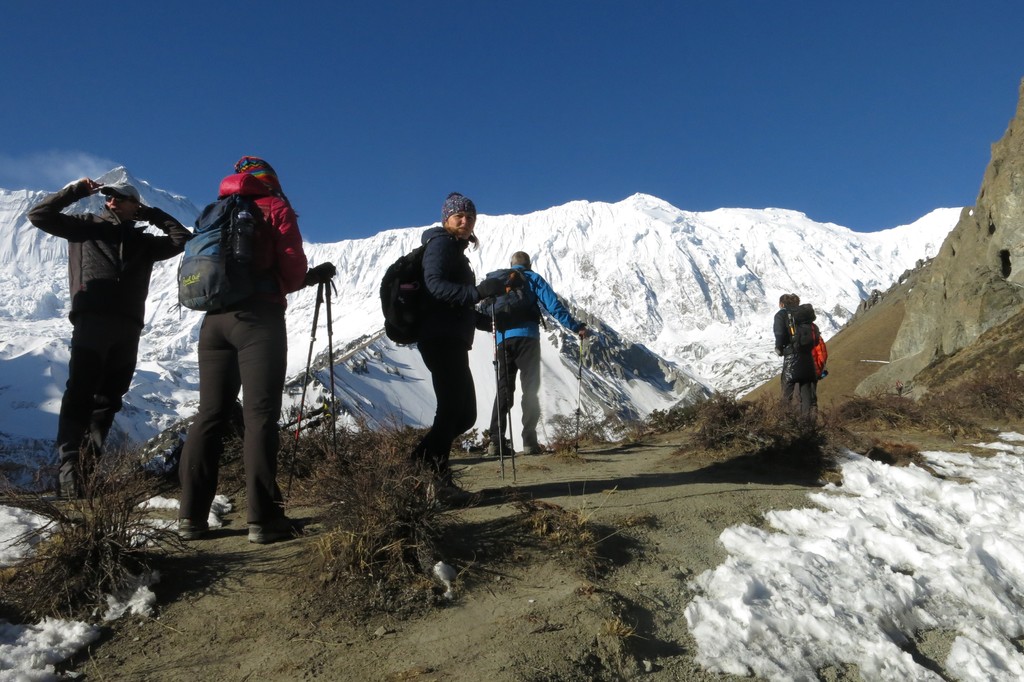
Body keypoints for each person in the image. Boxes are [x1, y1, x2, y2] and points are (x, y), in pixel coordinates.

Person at [177, 156, 333, 544]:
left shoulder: (217, 210)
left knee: (210, 415)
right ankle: (263, 520)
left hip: (213, 321)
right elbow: (293, 269)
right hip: (257, 319)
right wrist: (305, 278)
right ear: (271, 182)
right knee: (260, 415)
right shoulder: (274, 206)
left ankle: (190, 518)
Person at [28, 177, 191, 498]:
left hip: (128, 327)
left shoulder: (143, 242)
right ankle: (69, 474)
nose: (111, 201)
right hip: (92, 321)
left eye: (119, 197)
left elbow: (181, 238)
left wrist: (153, 214)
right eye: (109, 197)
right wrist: (76, 191)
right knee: (80, 394)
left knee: (108, 401)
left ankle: (86, 477)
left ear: (135, 205)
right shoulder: (85, 226)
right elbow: (39, 216)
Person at [411, 192, 509, 504]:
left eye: (470, 216)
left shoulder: (455, 249)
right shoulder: (441, 243)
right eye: (459, 216)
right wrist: (479, 291)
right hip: (439, 338)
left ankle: (417, 465)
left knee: (464, 415)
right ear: (446, 219)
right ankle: (437, 481)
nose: (465, 221)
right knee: (453, 409)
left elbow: (456, 303)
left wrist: (485, 321)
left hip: (450, 336)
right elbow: (435, 285)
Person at [485, 251, 589, 456]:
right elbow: (553, 306)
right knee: (530, 390)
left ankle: (495, 443)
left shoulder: (498, 279)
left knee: (504, 389)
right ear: (529, 265)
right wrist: (576, 327)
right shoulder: (532, 278)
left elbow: (484, 307)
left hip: (502, 340)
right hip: (528, 340)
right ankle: (530, 442)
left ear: (511, 264)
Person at [773, 293, 800, 403]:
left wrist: (779, 348)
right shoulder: (802, 313)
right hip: (808, 356)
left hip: (791, 354)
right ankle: (809, 418)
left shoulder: (781, 315)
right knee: (804, 392)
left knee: (787, 390)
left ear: (781, 304)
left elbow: (779, 333)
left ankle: (787, 417)